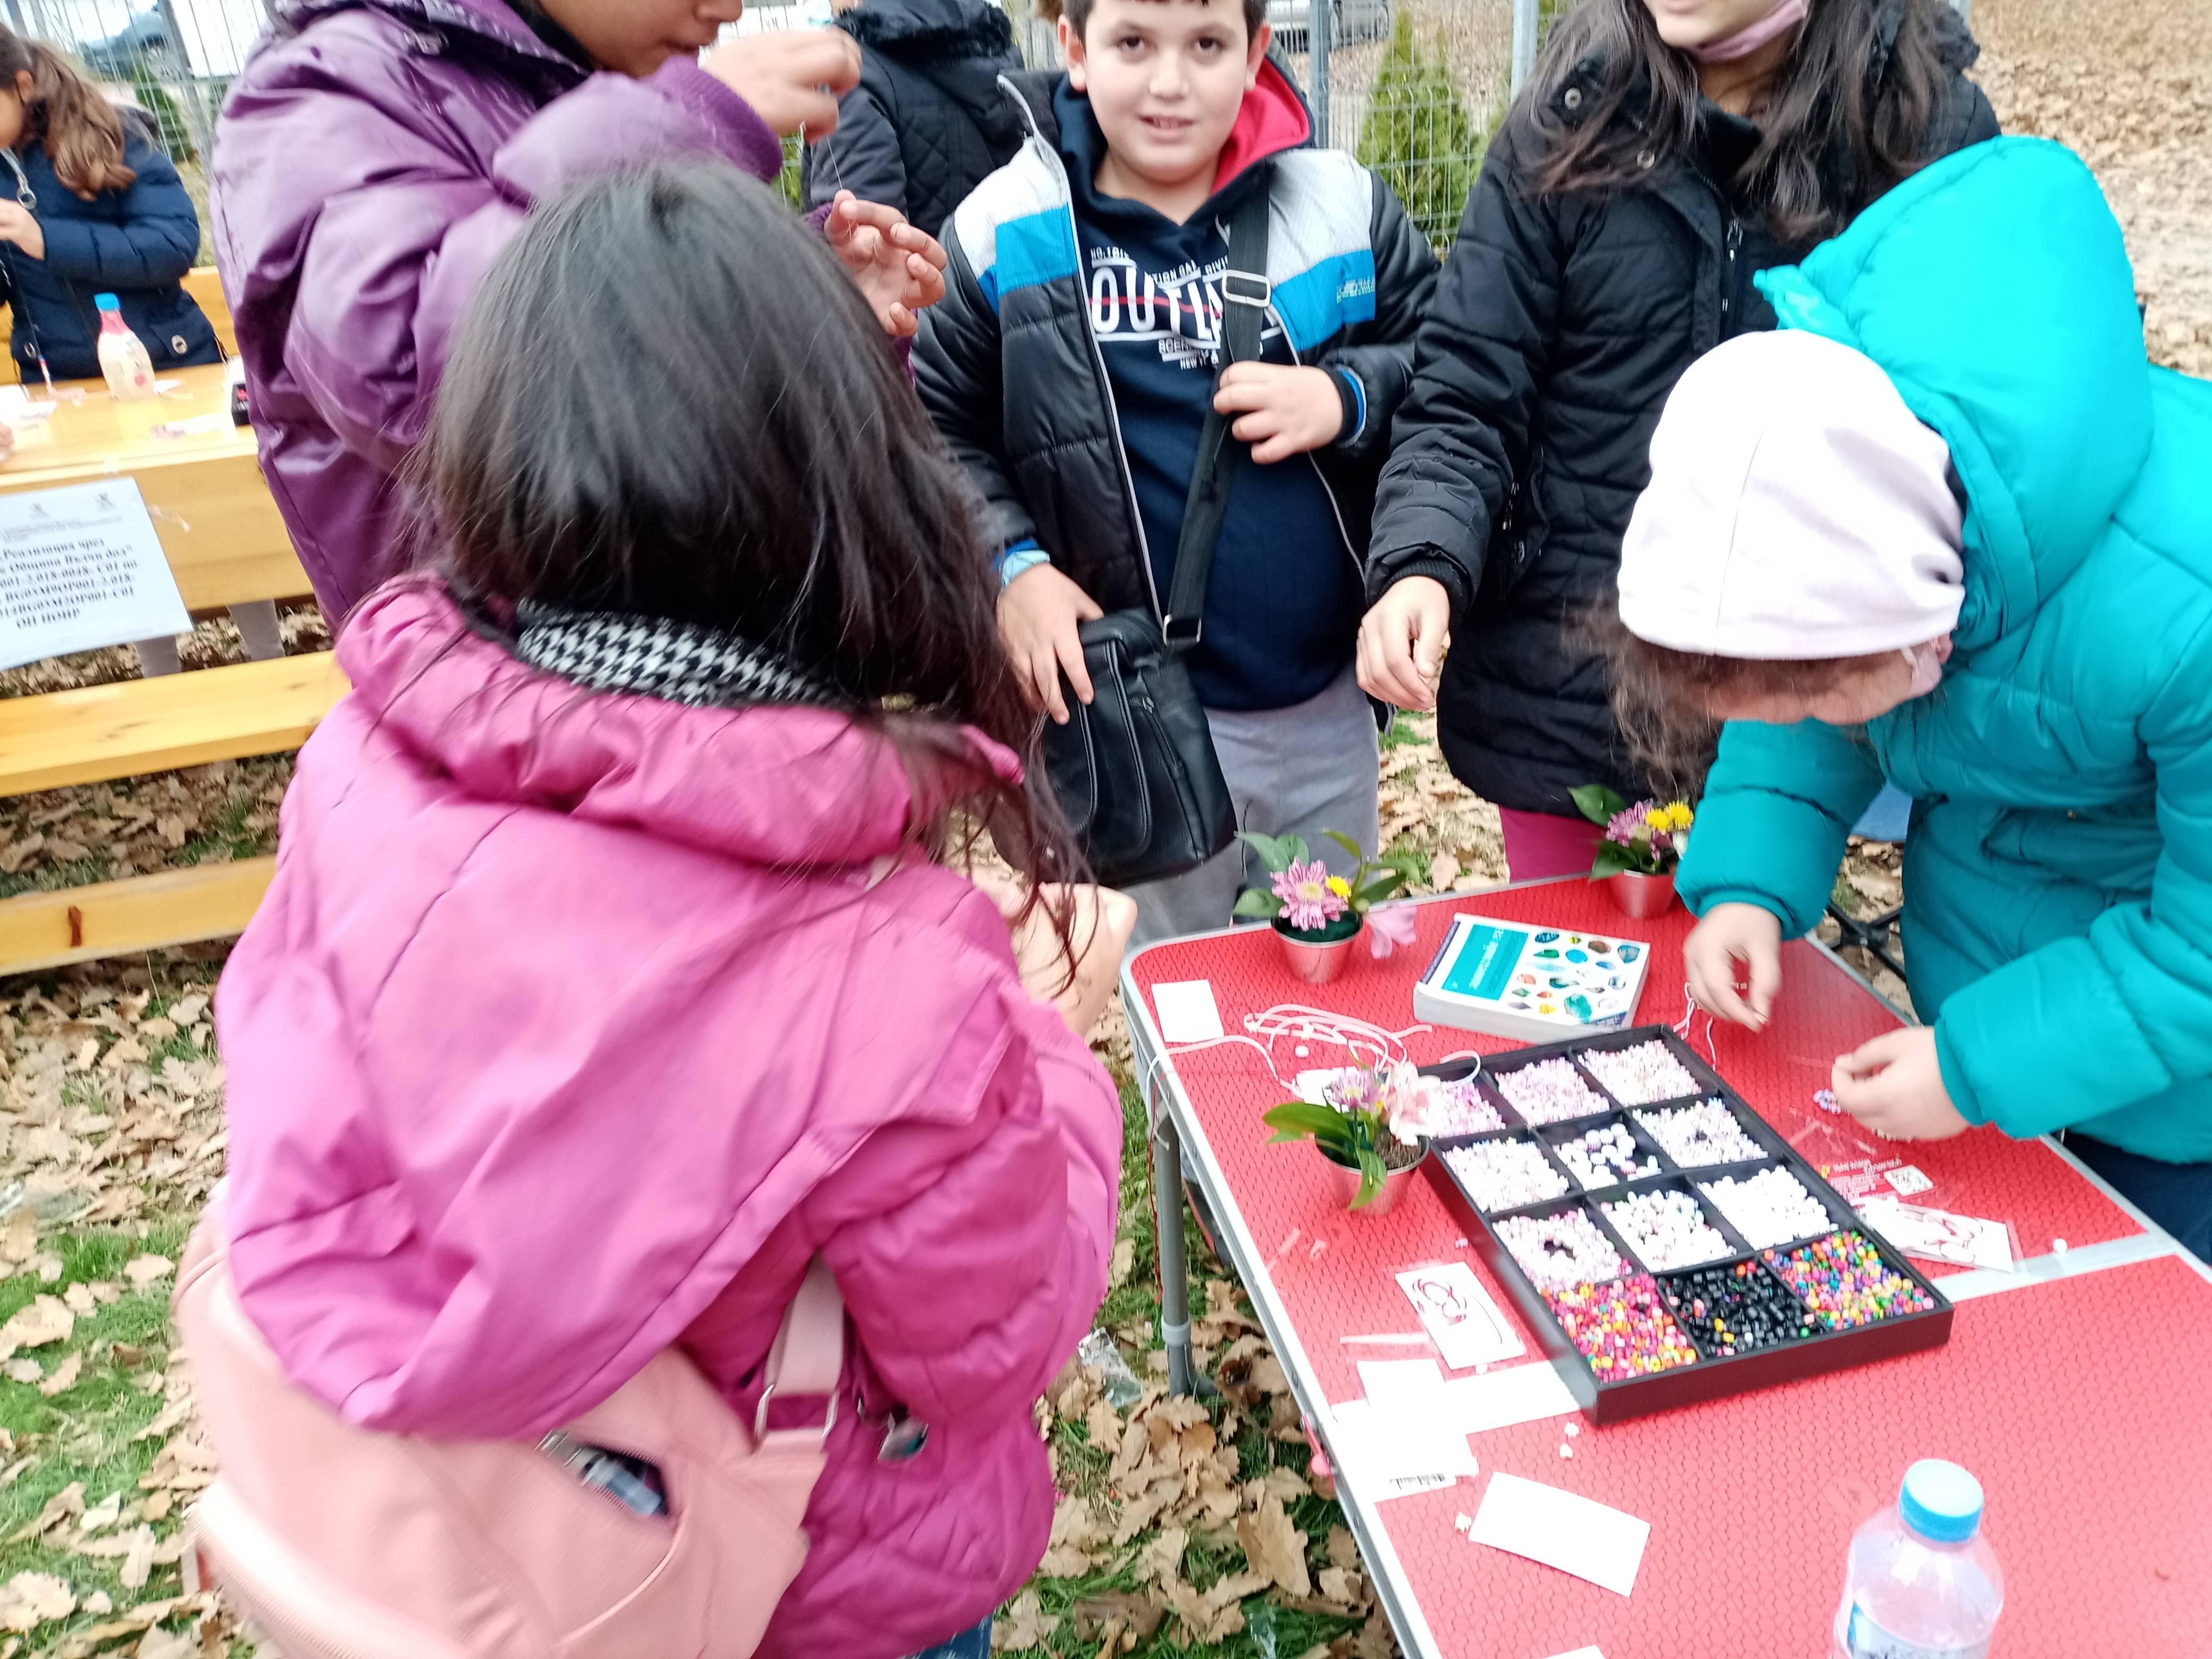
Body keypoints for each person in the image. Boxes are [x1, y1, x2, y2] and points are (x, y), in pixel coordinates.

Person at [213, 164, 1129, 1659]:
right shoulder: (894, 985)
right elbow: (1000, 1328)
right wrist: (1050, 1052)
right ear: (849, 494)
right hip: (786, 1581)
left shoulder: (360, 767)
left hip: (486, 1548)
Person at [1604, 137, 2212, 1258]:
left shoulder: (2184, 602)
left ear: (1928, 622)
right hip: (1989, 1010)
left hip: (2183, 1106)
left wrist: (1978, 1065)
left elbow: (2199, 953)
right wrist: (1747, 886)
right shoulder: (1870, 516)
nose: (1813, 717)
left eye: (1833, 692)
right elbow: (1805, 703)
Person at [1360, 0, 1997, 882]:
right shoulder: (1569, 114)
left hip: (1807, 700)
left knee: (1750, 943)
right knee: (1575, 958)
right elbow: (1469, 383)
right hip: (1572, 691)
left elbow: (1972, 426)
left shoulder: (1921, 130)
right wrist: (1424, 559)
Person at [916, 0, 1436, 945]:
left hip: (1326, 710)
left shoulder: (1341, 209)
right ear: (1074, 49)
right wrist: (1010, 567)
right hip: (1146, 724)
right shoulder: (1006, 232)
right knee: (1182, 988)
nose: (1170, 82)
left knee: (1332, 967)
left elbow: (1447, 362)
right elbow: (929, 424)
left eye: (1206, 46)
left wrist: (1348, 396)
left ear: (1257, 52)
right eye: (1132, 44)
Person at [213, 0, 948, 621]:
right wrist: (670, 128)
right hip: (494, 684)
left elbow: (661, 356)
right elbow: (407, 371)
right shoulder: (324, 92)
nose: (728, 10)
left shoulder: (599, 76)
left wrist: (809, 297)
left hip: (684, 637)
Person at [0, 28, 221, 387]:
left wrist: (46, 240)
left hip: (169, 365)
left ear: (23, 86)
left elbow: (173, 246)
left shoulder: (111, 134)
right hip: (59, 384)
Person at [802, 0, 1029, 237]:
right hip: (1006, 256)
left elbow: (855, 241)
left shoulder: (853, 71)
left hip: (923, 259)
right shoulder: (995, 43)